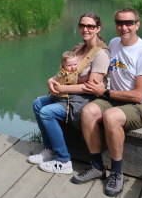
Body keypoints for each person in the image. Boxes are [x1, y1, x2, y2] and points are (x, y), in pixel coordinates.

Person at [72, 8, 142, 196]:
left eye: (129, 23)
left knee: (110, 117)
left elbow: (138, 96)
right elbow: (98, 52)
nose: (124, 27)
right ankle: (96, 166)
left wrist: (105, 92)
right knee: (88, 111)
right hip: (114, 99)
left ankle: (117, 172)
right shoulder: (114, 43)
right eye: (119, 23)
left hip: (141, 106)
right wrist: (81, 49)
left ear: (137, 25)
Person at [29, 13, 110, 174]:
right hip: (68, 95)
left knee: (46, 112)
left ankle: (63, 160)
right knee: (37, 104)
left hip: (83, 100)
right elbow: (66, 72)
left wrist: (62, 89)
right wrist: (51, 80)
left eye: (90, 26)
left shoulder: (101, 54)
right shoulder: (80, 47)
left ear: (98, 28)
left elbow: (91, 87)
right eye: (82, 25)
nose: (85, 29)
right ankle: (50, 149)